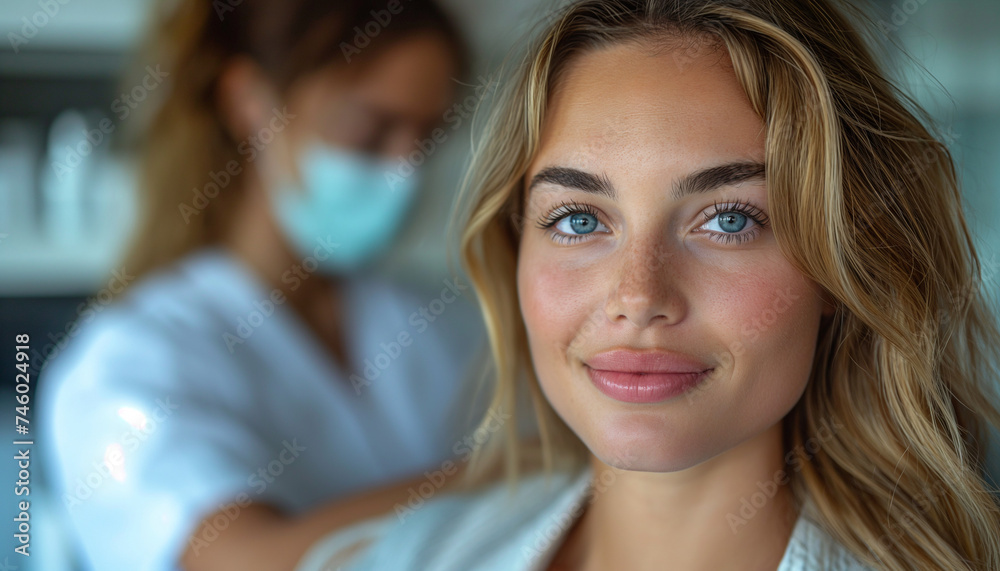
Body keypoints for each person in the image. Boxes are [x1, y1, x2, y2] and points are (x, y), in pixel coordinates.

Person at [293, 0, 1000, 569]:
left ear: (842, 271)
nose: (638, 295)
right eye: (577, 219)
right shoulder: (407, 554)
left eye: (728, 219)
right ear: (514, 253)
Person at [38, 1, 487, 570]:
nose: (404, 171)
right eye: (370, 131)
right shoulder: (128, 364)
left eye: (425, 139)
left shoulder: (439, 325)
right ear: (252, 101)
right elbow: (246, 562)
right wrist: (522, 475)